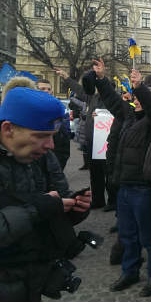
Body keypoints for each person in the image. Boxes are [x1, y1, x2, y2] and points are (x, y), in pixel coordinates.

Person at [0, 87, 92, 302]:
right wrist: (39, 209)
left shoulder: (41, 156)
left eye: (52, 137)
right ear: (8, 129)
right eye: (41, 136)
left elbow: (56, 199)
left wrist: (72, 210)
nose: (50, 145)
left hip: (30, 279)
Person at [91, 60, 151, 296]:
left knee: (150, 237)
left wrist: (140, 86)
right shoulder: (129, 118)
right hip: (125, 187)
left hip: (144, 189)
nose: (134, 101)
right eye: (134, 98)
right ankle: (130, 271)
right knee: (127, 235)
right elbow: (113, 101)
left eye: (138, 98)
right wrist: (102, 80)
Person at [55, 67, 108, 208]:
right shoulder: (92, 97)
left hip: (106, 145)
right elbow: (79, 89)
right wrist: (66, 77)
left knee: (110, 176)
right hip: (93, 144)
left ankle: (113, 202)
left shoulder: (110, 98)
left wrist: (102, 114)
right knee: (95, 175)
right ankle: (98, 200)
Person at [36, 78, 72, 171]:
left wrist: (58, 165)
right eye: (42, 89)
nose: (46, 91)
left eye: (49, 89)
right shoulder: (28, 111)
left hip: (55, 162)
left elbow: (64, 141)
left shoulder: (59, 110)